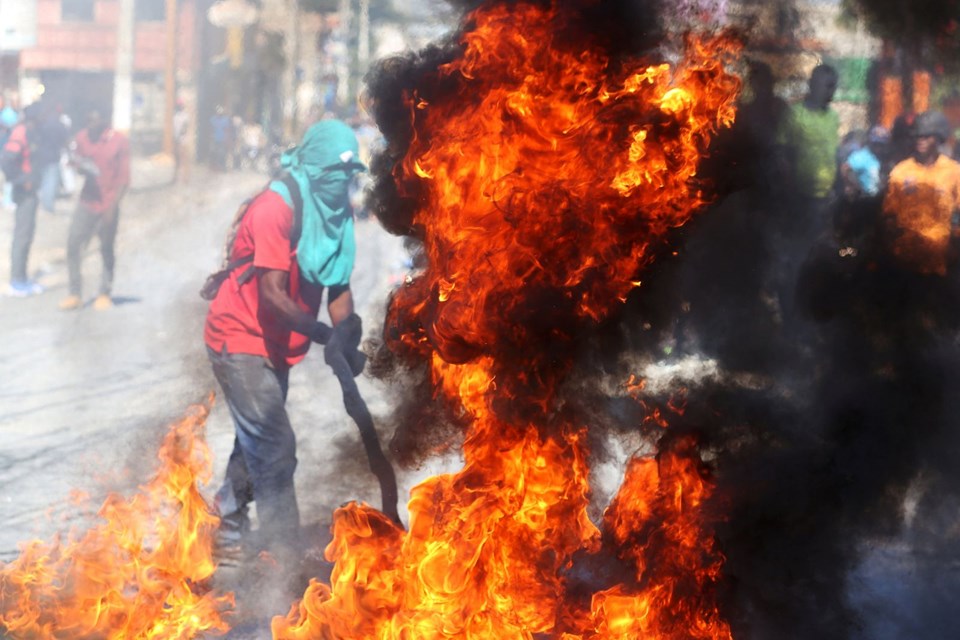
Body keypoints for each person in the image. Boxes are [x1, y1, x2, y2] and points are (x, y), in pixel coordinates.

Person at [204, 119, 367, 569]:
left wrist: (347, 335)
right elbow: (274, 295)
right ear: (314, 168)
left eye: (349, 177)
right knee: (275, 449)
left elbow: (338, 285)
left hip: (277, 345)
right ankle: (284, 560)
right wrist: (323, 336)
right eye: (335, 175)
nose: (343, 185)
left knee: (255, 439)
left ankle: (227, 525)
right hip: (240, 338)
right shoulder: (275, 207)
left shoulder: (336, 212)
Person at [59, 110, 131, 311]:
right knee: (73, 243)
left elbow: (124, 179)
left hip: (109, 202)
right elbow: (78, 161)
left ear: (104, 121)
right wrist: (78, 166)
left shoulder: (119, 140)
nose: (90, 125)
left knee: (106, 248)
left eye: (95, 121)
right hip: (87, 201)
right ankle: (74, 293)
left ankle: (104, 292)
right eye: (88, 121)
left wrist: (113, 207)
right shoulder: (82, 137)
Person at [882, 110, 960, 276]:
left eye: (927, 136)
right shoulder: (901, 171)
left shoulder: (954, 171)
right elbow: (889, 213)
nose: (921, 141)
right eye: (918, 136)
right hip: (904, 258)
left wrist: (955, 243)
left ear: (939, 138)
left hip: (941, 260)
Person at [1, 103, 44, 297]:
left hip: (31, 190)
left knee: (27, 234)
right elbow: (6, 159)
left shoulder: (31, 132)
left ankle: (23, 277)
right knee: (22, 235)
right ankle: (17, 281)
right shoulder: (21, 133)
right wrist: (21, 180)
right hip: (24, 191)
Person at [34, 103, 71, 214]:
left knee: (43, 181)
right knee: (50, 182)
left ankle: (42, 203)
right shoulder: (60, 125)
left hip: (40, 156)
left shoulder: (42, 124)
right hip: (53, 157)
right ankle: (47, 205)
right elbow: (65, 141)